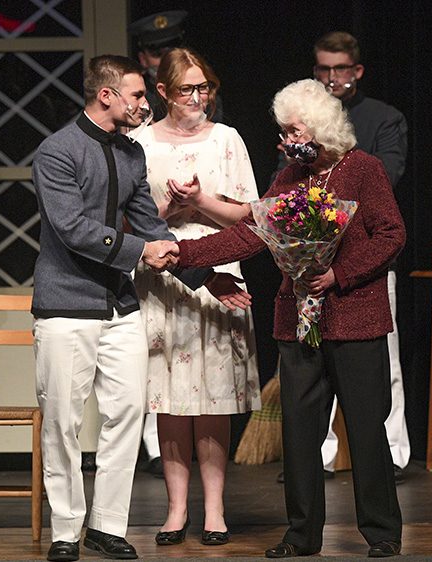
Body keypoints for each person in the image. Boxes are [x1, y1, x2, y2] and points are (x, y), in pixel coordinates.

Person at [30, 54, 248, 562]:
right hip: (67, 306)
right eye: (136, 96)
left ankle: (107, 526)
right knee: (62, 420)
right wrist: (140, 253)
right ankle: (66, 530)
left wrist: (202, 275)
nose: (144, 104)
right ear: (106, 95)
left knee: (126, 415)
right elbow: (72, 228)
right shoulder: (57, 151)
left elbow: (152, 227)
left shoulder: (130, 155)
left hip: (121, 306)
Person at [175, 79, 405, 558]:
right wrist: (183, 253)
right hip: (298, 323)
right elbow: (250, 236)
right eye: (282, 133)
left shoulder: (363, 169)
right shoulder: (288, 179)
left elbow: (391, 235)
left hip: (355, 320)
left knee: (365, 429)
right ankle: (301, 535)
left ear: (319, 128)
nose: (285, 141)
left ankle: (382, 533)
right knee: (299, 434)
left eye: (293, 130)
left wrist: (339, 274)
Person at [130, 47, 260, 547]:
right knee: (171, 400)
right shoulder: (139, 143)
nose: (198, 97)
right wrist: (170, 205)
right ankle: (176, 508)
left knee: (213, 398)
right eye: (187, 89)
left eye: (204, 87)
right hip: (163, 281)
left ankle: (215, 509)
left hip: (220, 277)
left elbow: (251, 215)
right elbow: (132, 222)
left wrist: (201, 201)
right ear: (162, 92)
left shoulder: (226, 139)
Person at [275, 30, 410, 484]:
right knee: (307, 407)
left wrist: (339, 268)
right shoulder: (293, 167)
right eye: (323, 70)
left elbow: (387, 217)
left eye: (339, 69)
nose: (332, 78)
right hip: (308, 290)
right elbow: (263, 221)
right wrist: (184, 252)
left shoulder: (374, 137)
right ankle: (322, 465)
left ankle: (390, 456)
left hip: (357, 280)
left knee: (372, 391)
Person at [128, 10, 224, 124]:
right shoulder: (137, 96)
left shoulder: (204, 94)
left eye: (172, 53)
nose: (166, 61)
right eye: (158, 54)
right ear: (143, 59)